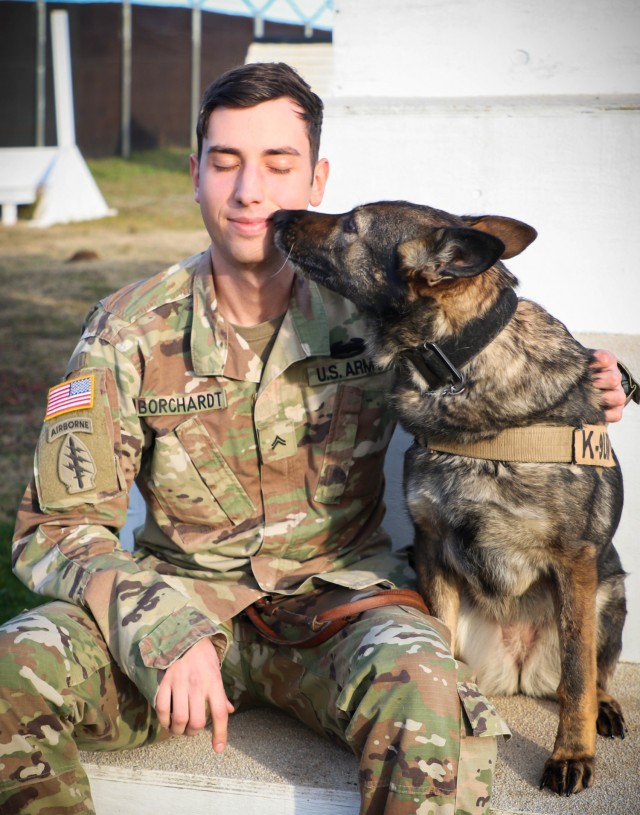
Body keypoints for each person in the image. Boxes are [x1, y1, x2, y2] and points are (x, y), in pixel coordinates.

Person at [0, 62, 627, 815]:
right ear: (194, 172)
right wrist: (158, 626)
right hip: (185, 605)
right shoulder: (128, 327)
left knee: (431, 695)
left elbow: (490, 348)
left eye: (278, 163)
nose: (249, 191)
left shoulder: (379, 314)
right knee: (11, 667)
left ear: (316, 179)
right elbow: (58, 528)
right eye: (225, 161)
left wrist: (588, 392)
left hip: (343, 612)